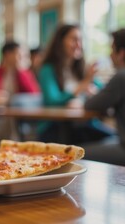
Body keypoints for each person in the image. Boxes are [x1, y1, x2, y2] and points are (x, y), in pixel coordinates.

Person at [37, 24, 114, 144]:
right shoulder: (48, 69)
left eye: (80, 40)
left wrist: (91, 90)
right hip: (56, 128)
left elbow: (102, 90)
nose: (79, 45)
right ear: (60, 42)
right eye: (74, 39)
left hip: (83, 125)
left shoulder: (81, 69)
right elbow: (52, 100)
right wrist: (81, 87)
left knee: (114, 138)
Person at [83, 28, 125, 166]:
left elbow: (91, 105)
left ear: (121, 53)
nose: (110, 55)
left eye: (112, 50)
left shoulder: (121, 76)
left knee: (76, 152)